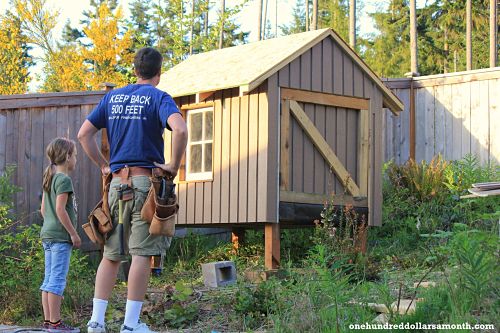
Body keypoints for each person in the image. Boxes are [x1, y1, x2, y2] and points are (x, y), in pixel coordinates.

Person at [78, 47, 187, 333]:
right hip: (144, 184)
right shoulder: (158, 97)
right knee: (141, 254)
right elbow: (181, 129)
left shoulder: (112, 98)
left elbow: (83, 134)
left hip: (116, 184)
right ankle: (130, 324)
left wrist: (104, 165)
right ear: (158, 73)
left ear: (135, 70)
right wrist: (173, 164)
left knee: (111, 254)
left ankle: (96, 322)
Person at [40, 137, 82, 333]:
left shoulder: (50, 176)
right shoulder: (64, 179)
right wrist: (73, 234)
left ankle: (48, 322)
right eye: (75, 156)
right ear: (67, 156)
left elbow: (43, 210)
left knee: (48, 279)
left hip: (47, 235)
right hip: (59, 238)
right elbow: (60, 209)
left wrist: (51, 225)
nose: (76, 159)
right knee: (57, 280)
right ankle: (56, 324)